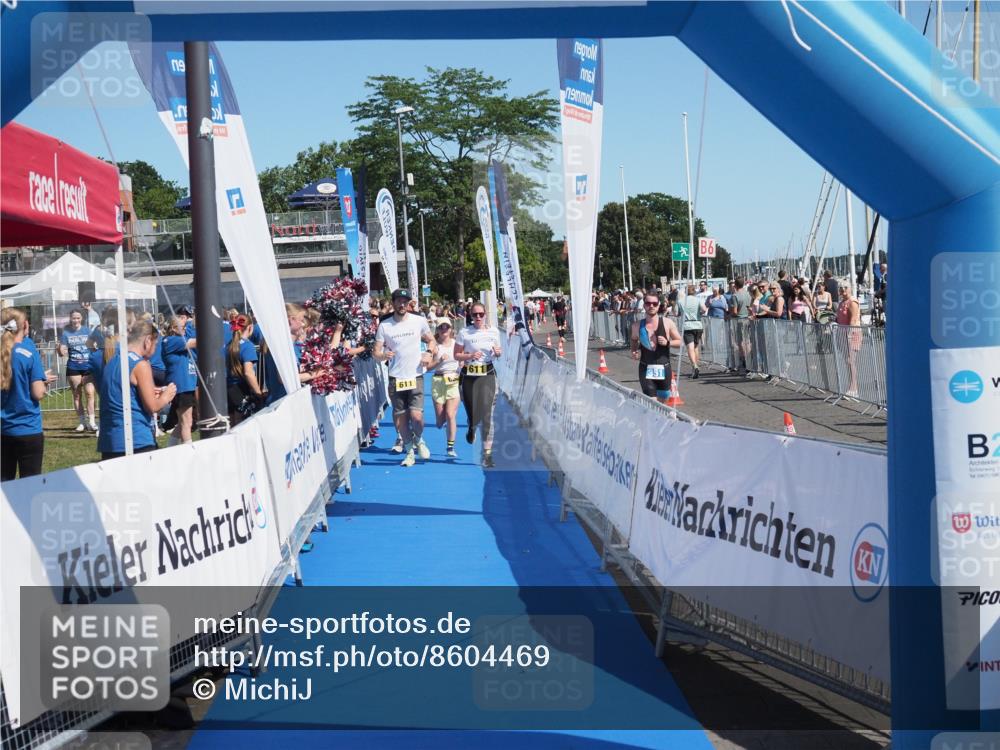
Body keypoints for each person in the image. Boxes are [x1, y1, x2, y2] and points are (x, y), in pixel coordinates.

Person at [374, 288, 438, 467]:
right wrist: (383, 355)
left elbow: (432, 340)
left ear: (409, 303)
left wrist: (429, 353)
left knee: (417, 418)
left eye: (405, 302)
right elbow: (376, 352)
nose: (402, 305)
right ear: (393, 303)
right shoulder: (385, 326)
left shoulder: (418, 321)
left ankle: (419, 439)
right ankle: (409, 451)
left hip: (415, 375)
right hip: (396, 377)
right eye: (399, 301)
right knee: (401, 420)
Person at [97, 321, 176, 461]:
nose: (155, 350)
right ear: (147, 341)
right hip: (136, 439)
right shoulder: (141, 365)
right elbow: (152, 406)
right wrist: (167, 395)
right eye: (155, 344)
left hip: (110, 441)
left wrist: (149, 391)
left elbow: (120, 393)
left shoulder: (112, 362)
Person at [1, 308, 56, 479]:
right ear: (25, 325)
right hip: (27, 428)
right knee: (31, 485)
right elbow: (38, 393)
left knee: (3, 484)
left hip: (3, 430)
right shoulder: (28, 353)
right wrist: (41, 382)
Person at [454, 302, 502, 467]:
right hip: (469, 376)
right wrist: (470, 356)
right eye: (475, 315)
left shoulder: (493, 331)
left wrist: (498, 353)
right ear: (470, 316)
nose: (478, 317)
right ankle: (472, 426)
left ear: (485, 314)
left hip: (488, 374)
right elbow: (456, 355)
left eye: (481, 314)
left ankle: (487, 455)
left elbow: (497, 352)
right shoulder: (464, 332)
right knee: (473, 415)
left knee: (488, 416)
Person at [631, 291, 682, 405]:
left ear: (659, 305)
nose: (651, 306)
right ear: (644, 305)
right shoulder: (636, 326)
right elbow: (633, 339)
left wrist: (667, 343)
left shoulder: (668, 323)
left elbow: (680, 342)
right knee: (652, 403)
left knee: (663, 404)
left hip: (664, 368)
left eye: (654, 303)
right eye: (648, 303)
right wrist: (634, 350)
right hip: (645, 368)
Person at [161, 317, 198, 445]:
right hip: (182, 387)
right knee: (186, 422)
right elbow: (196, 342)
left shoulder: (177, 340)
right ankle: (189, 451)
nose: (185, 329)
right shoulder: (171, 340)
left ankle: (170, 449)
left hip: (186, 386)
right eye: (182, 327)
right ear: (173, 328)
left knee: (183, 423)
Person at [59, 308, 97, 432]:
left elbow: (93, 347)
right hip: (73, 367)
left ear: (81, 319)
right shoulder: (66, 333)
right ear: (70, 319)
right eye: (73, 318)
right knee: (77, 395)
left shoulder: (87, 331)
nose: (76, 320)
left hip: (88, 366)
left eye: (78, 318)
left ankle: (92, 422)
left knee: (90, 393)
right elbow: (62, 350)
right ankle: (82, 422)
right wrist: (61, 350)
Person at [428, 320, 461, 458]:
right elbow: (427, 367)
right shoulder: (434, 346)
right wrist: (439, 360)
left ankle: (450, 446)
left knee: (450, 414)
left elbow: (463, 359)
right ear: (437, 330)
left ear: (451, 329)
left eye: (446, 327)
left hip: (453, 381)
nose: (444, 329)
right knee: (440, 421)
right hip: (438, 380)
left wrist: (462, 365)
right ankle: (443, 423)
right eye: (441, 327)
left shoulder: (456, 344)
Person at [224, 314, 264, 426]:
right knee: (242, 424)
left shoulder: (228, 345)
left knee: (232, 425)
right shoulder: (247, 346)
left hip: (228, 389)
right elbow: (248, 373)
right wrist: (258, 393)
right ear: (250, 327)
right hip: (242, 389)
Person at [836, 284, 863, 398]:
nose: (843, 289)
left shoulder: (852, 302)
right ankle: (851, 386)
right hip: (842, 333)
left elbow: (853, 319)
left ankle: (854, 388)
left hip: (852, 333)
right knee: (847, 361)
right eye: (841, 288)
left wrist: (849, 334)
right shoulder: (841, 302)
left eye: (845, 287)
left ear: (850, 289)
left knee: (850, 360)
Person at [680, 284, 706, 379]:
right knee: (695, 347)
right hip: (698, 324)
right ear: (694, 291)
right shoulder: (698, 300)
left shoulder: (681, 301)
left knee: (690, 348)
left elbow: (675, 312)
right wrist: (699, 313)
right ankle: (695, 367)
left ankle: (694, 366)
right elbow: (704, 309)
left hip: (687, 325)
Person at [729, 278, 752, 373]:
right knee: (748, 341)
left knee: (740, 341)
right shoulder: (748, 294)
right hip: (748, 318)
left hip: (739, 319)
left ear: (735, 285)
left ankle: (744, 360)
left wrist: (729, 314)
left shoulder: (735, 296)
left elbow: (734, 311)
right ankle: (749, 359)